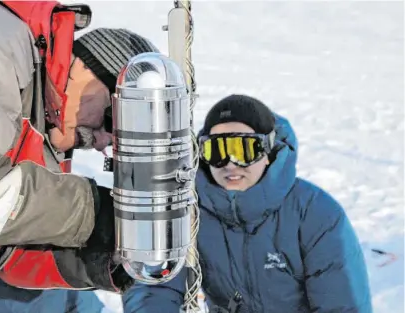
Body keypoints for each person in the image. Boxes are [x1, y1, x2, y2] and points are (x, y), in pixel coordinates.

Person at [0, 1, 159, 312]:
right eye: (112, 120)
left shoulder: (44, 127)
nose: (100, 143)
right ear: (87, 68)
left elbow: (11, 257)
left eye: (115, 143)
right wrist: (91, 212)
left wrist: (101, 256)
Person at [122, 94, 373, 313]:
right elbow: (155, 286)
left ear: (268, 150)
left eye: (244, 150)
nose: (230, 164)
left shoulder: (315, 213)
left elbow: (342, 304)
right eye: (216, 151)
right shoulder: (190, 211)